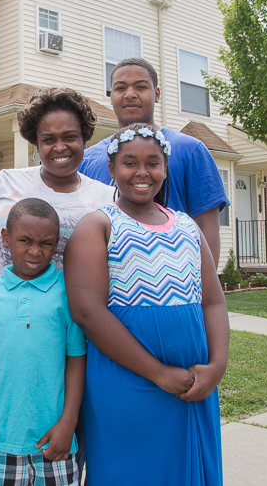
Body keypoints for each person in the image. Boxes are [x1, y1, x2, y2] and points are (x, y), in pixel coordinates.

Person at [64, 123, 230, 486]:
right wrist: (158, 373)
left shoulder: (187, 226)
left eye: (153, 163)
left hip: (192, 386)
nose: (142, 172)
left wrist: (216, 366)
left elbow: (214, 302)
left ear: (166, 169)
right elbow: (88, 313)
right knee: (128, 473)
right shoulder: (99, 226)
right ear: (111, 170)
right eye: (129, 163)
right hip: (126, 384)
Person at [0, 198, 86, 486]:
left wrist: (68, 424)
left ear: (56, 243)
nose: (35, 251)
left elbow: (76, 359)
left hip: (54, 439)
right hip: (0, 440)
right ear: (6, 238)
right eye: (25, 241)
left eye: (46, 243)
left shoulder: (66, 292)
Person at [78, 57, 229, 268]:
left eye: (140, 86)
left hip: (175, 282)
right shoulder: (89, 158)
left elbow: (207, 229)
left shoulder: (190, 150)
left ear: (156, 94)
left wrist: (202, 292)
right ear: (111, 95)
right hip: (108, 285)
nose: (130, 94)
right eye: (120, 88)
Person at [0, 87, 115, 283]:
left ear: (84, 139)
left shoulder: (110, 199)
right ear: (36, 143)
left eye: (70, 137)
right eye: (48, 139)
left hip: (69, 314)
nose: (59, 147)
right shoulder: (1, 184)